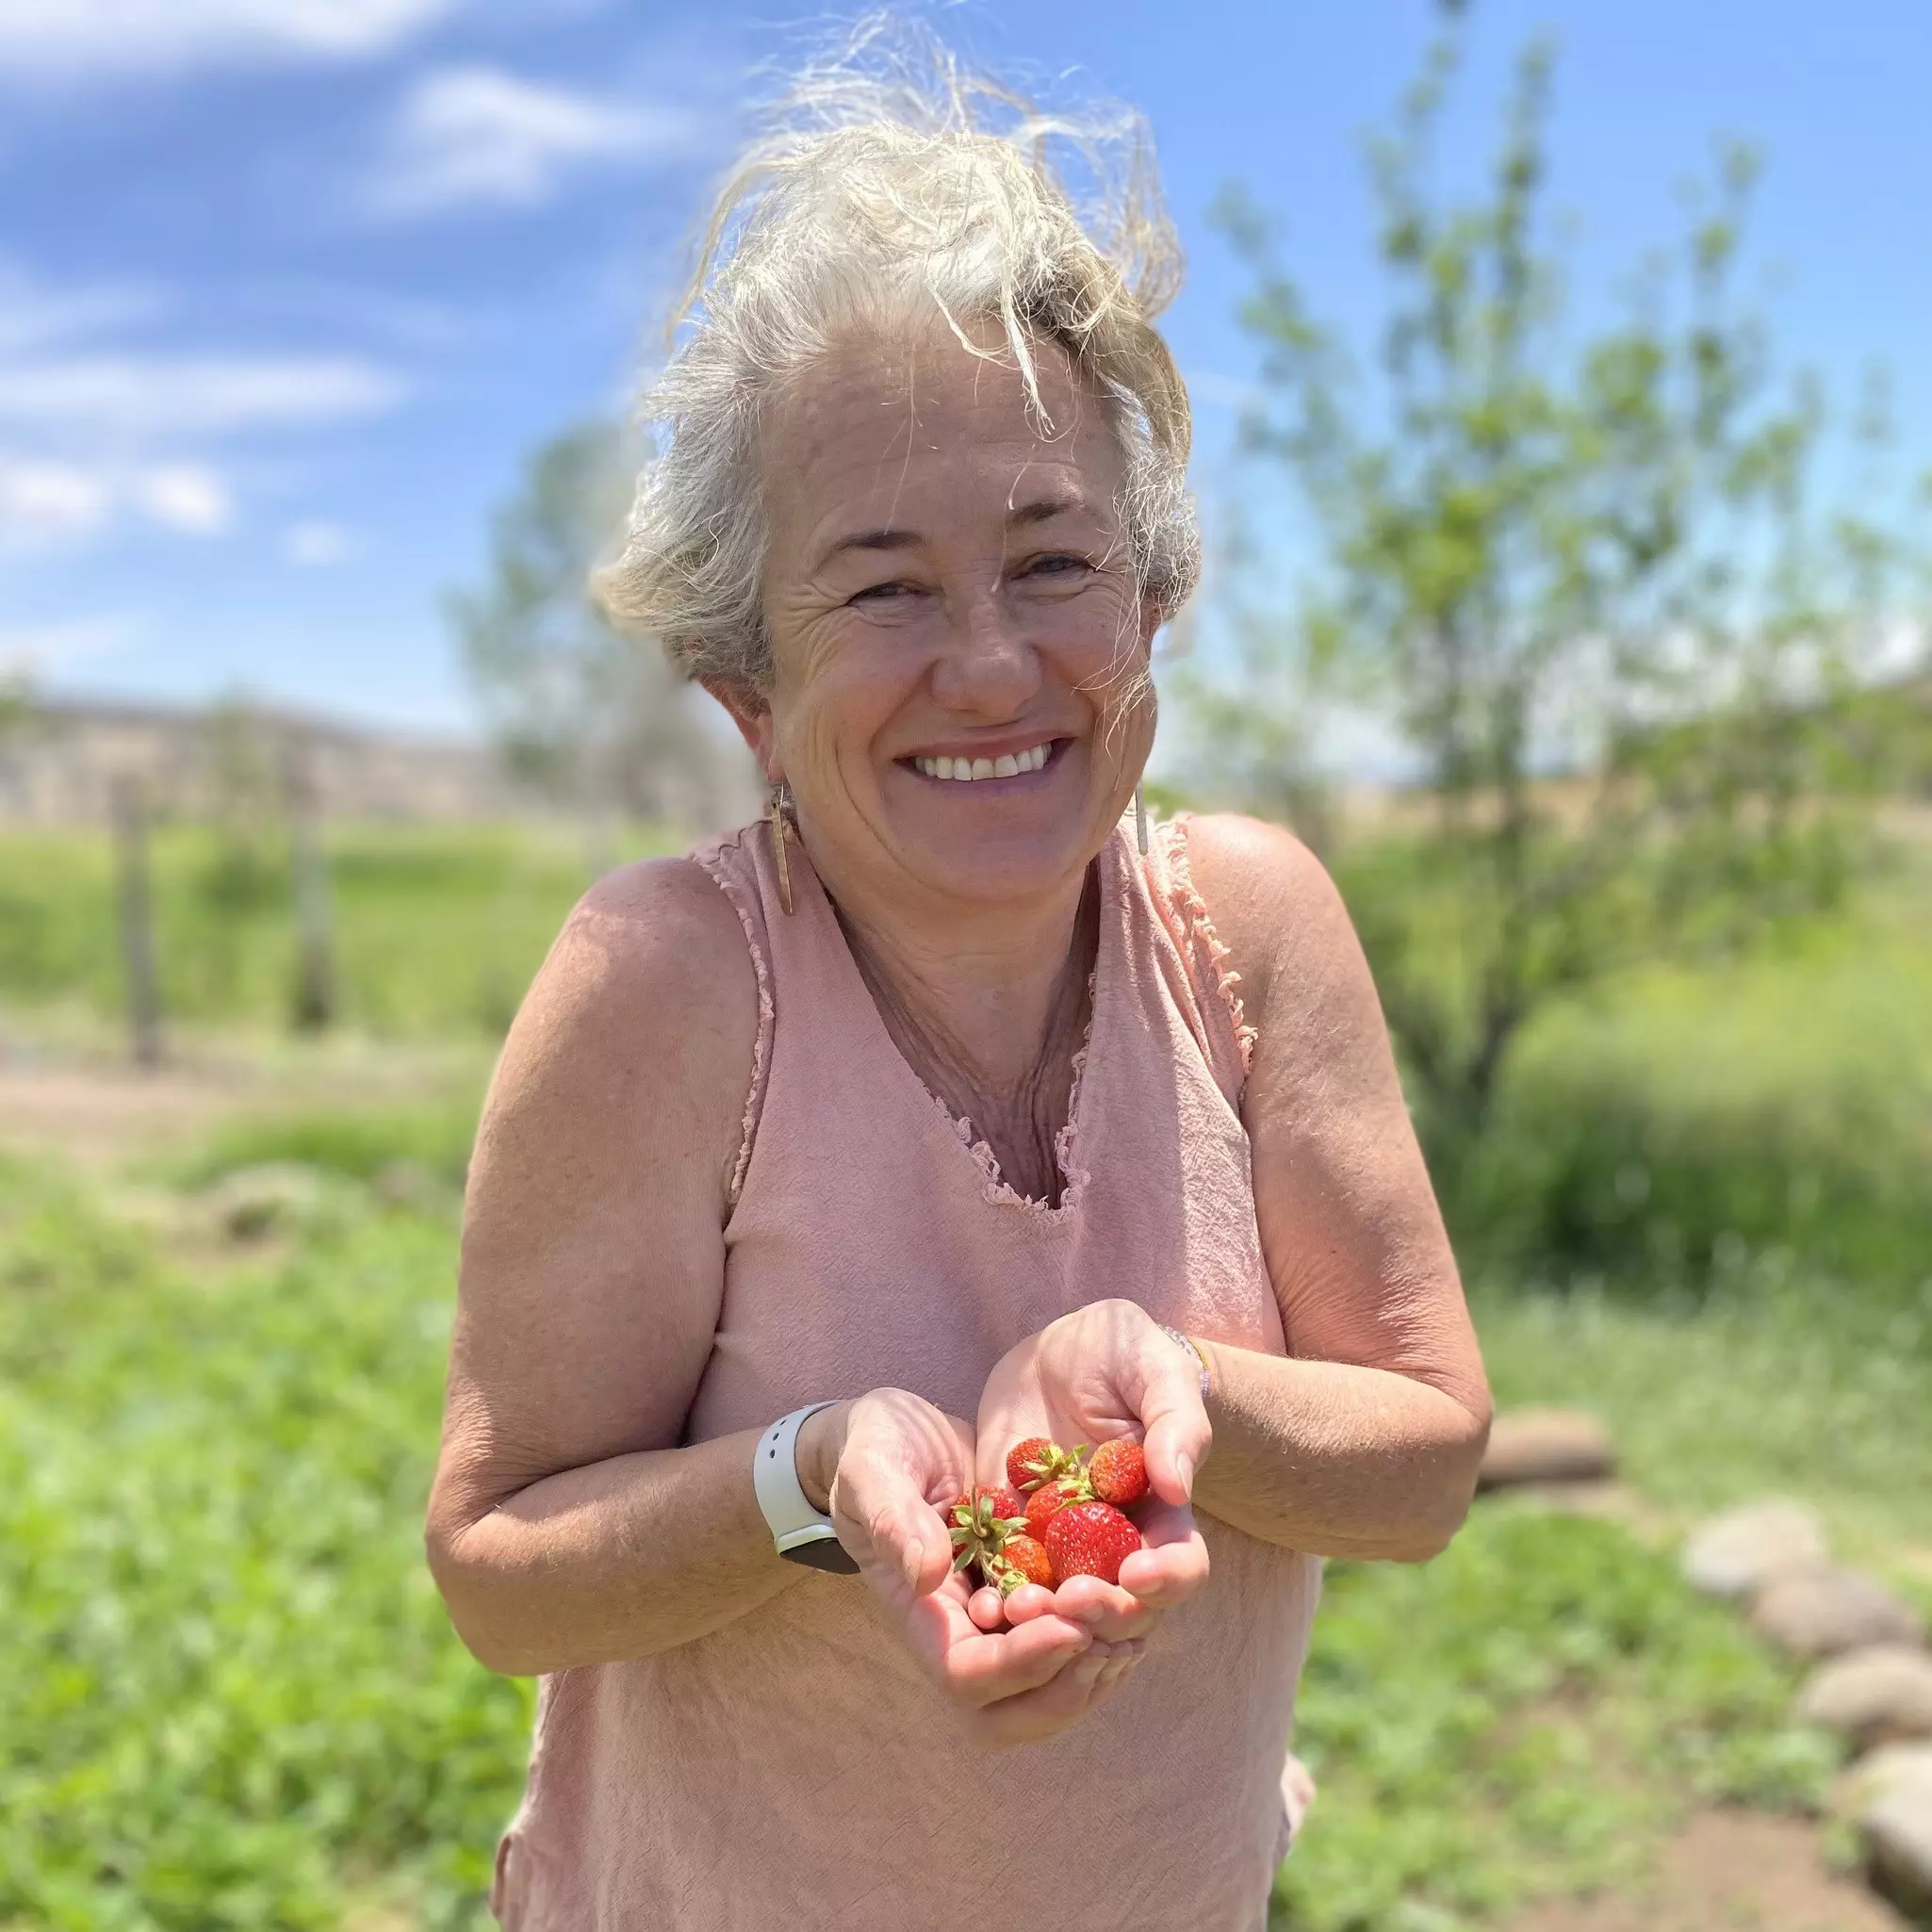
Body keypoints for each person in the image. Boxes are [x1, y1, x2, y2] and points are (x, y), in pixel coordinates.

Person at [426, 28, 1490, 1931]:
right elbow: (502, 1567)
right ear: (745, 689)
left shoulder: (1242, 926)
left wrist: (1180, 1398)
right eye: (886, 585)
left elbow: (1419, 1461)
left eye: (1051, 558)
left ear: (1151, 605)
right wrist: (803, 1473)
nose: (990, 664)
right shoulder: (667, 984)